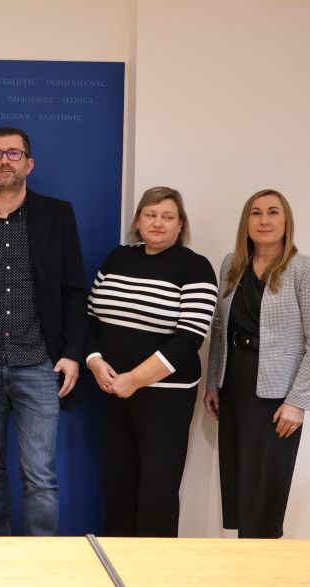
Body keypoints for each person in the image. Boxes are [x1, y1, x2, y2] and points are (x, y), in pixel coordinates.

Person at [0, 126, 86, 536]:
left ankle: (41, 558)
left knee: (40, 474)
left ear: (29, 163)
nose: (4, 160)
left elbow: (74, 290)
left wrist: (72, 353)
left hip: (39, 364)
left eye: (13, 153)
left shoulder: (57, 215)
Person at [85, 187, 217, 537]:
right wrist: (95, 361)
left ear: (180, 224)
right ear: (138, 220)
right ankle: (117, 562)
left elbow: (190, 338)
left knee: (157, 491)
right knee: (118, 485)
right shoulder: (118, 257)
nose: (158, 223)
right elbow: (90, 318)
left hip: (165, 398)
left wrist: (134, 379)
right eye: (150, 215)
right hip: (115, 392)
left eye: (167, 217)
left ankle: (156, 565)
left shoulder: (196, 267)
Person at [204, 189, 310, 538]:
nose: (264, 220)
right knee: (239, 485)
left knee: (265, 494)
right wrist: (213, 382)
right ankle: (245, 560)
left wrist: (298, 402)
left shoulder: (305, 268)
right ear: (246, 222)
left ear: (286, 221)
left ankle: (263, 561)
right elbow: (220, 328)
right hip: (235, 388)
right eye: (256, 212)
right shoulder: (231, 265)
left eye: (273, 212)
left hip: (278, 399)